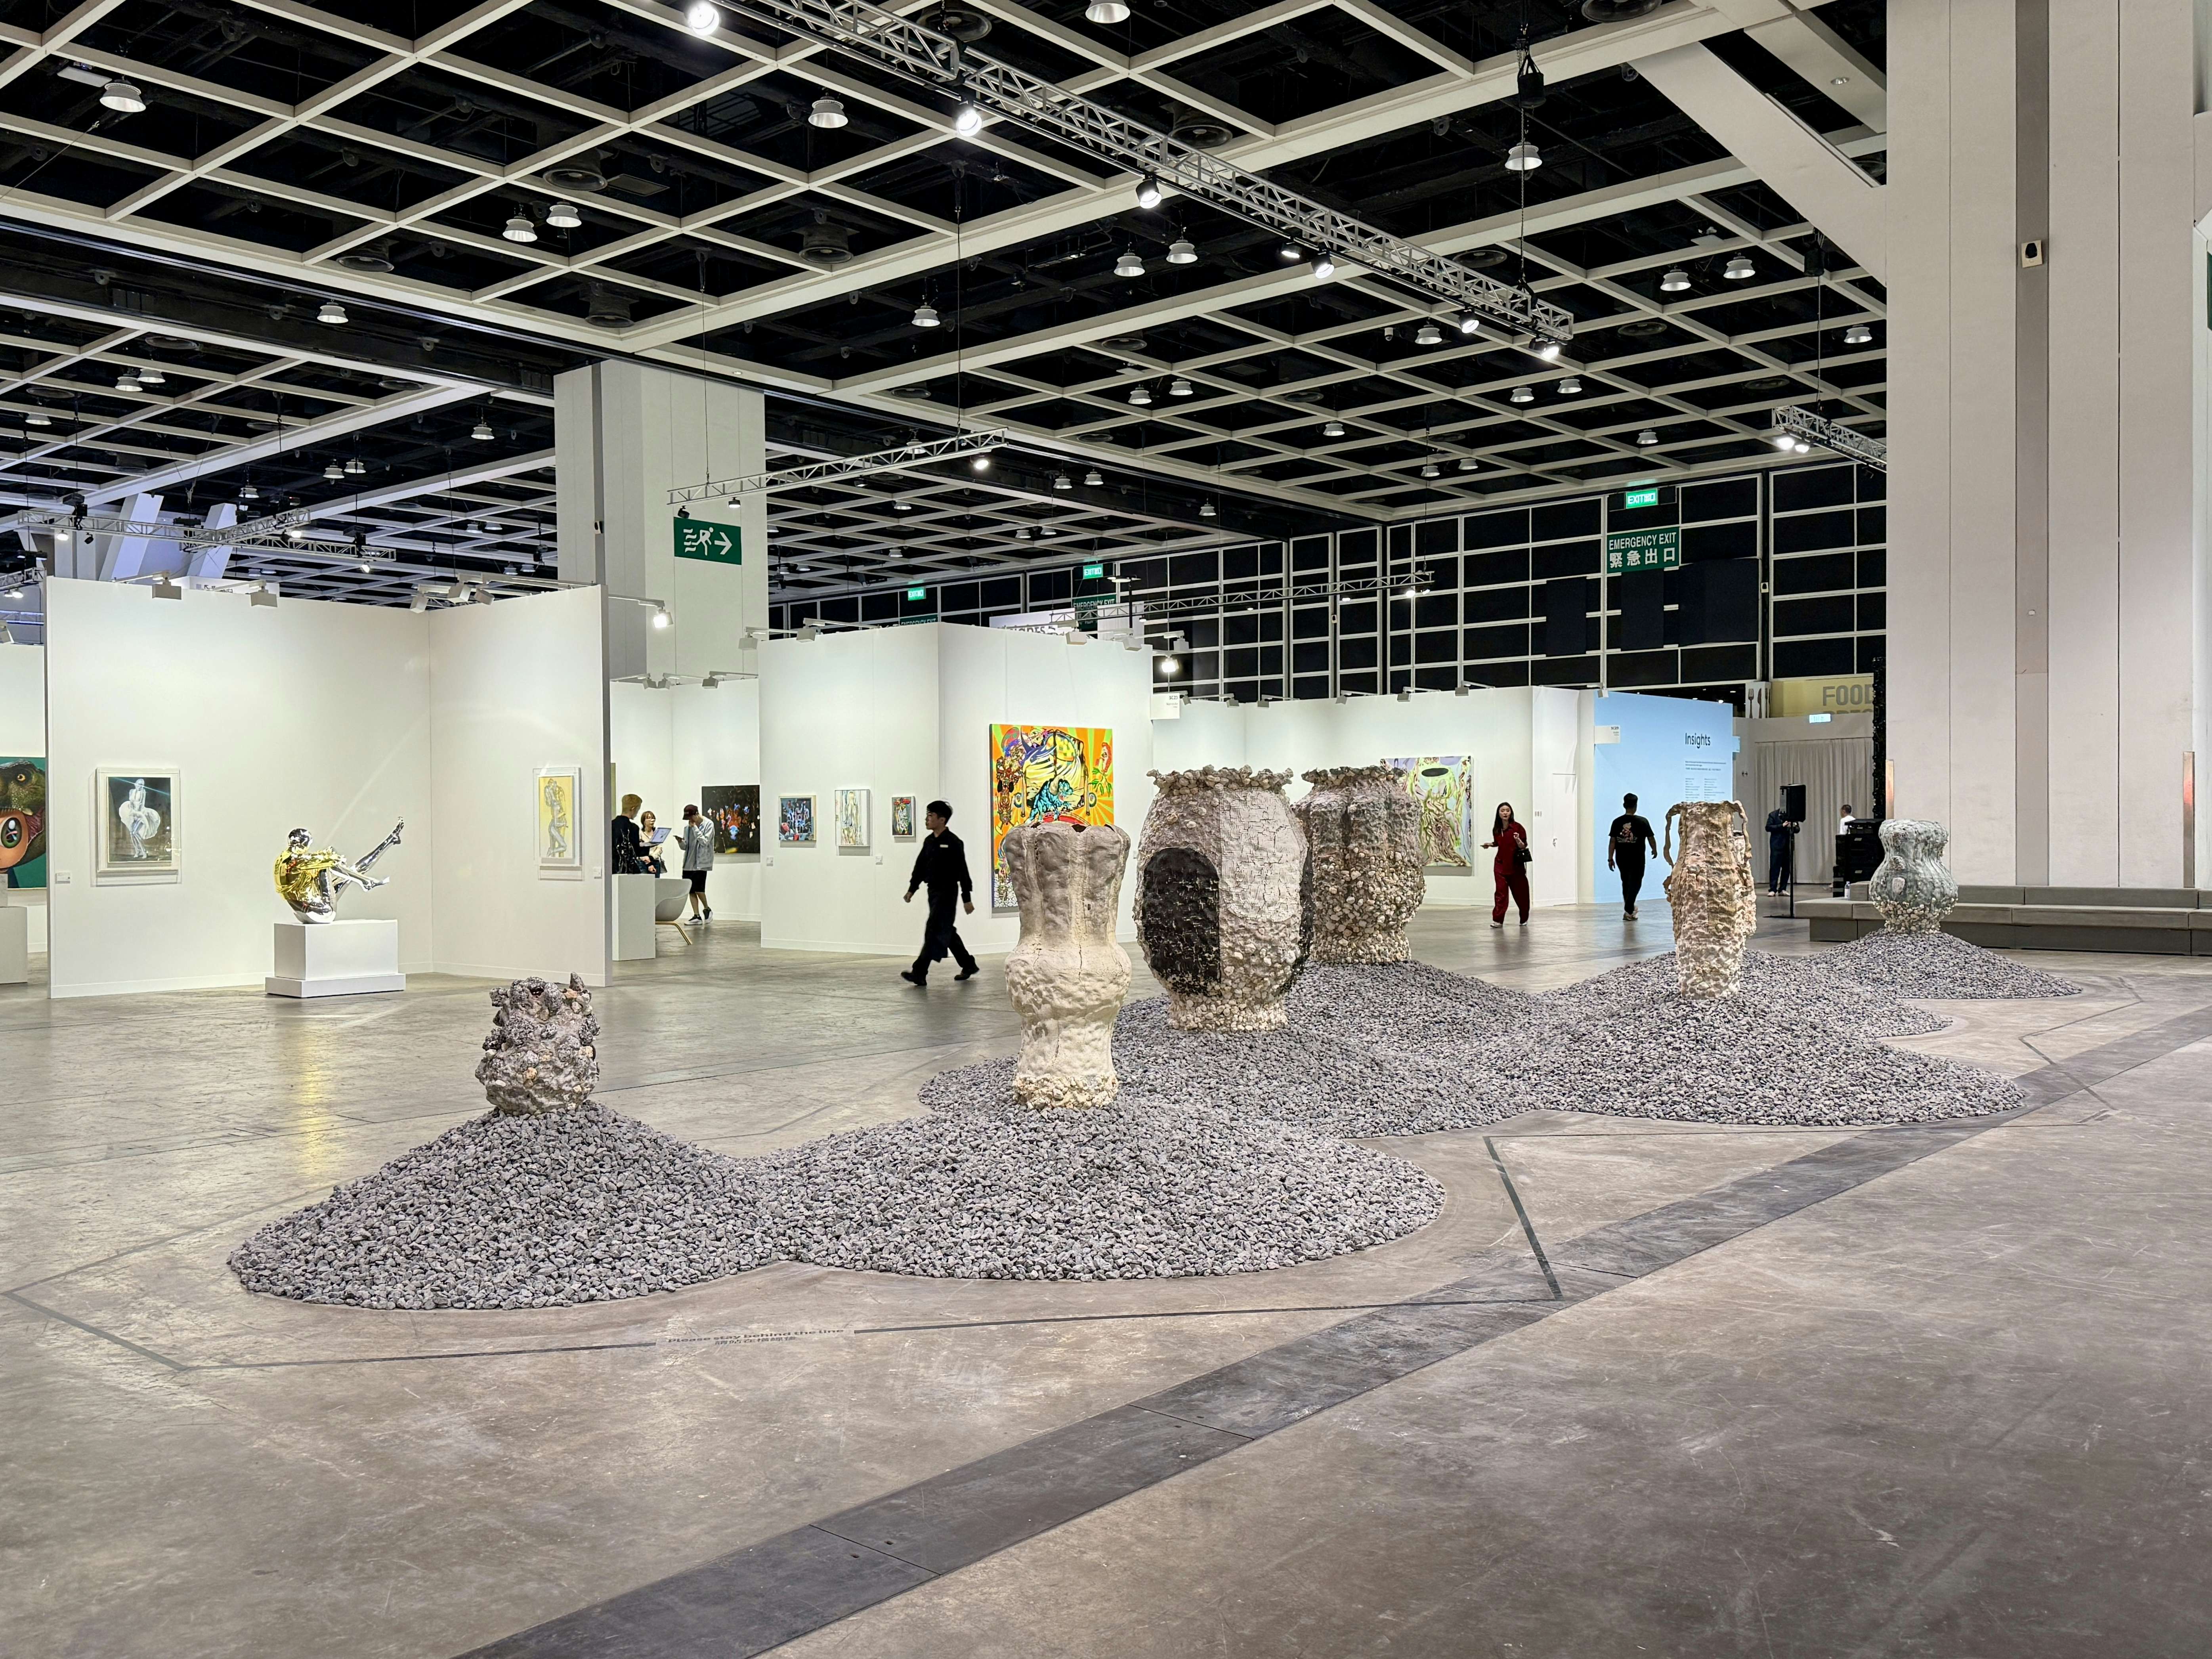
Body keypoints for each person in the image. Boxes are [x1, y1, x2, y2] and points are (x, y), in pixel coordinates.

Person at [901, 800, 978, 985]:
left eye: (931, 816)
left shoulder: (954, 843)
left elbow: (963, 871)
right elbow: (920, 867)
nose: (927, 819)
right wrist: (912, 889)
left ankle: (920, 972)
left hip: (948, 892)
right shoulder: (929, 842)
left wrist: (967, 898)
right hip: (933, 892)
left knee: (934, 929)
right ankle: (968, 964)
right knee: (946, 931)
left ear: (942, 820)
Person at [1606, 792, 1657, 919]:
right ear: (1636, 806)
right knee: (1636, 881)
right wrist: (1654, 850)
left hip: (1621, 857)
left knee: (1626, 882)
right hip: (1638, 858)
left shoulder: (1617, 822)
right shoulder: (1643, 821)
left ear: (1624, 805)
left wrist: (1610, 858)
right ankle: (1629, 908)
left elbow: (1613, 841)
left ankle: (1629, 911)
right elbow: (1651, 838)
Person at [1482, 801, 1530, 927]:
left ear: (1511, 813)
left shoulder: (1518, 828)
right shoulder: (1497, 829)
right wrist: (1490, 845)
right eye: (1502, 811)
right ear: (1499, 813)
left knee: (1521, 894)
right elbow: (1499, 843)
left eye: (1508, 811)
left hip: (1515, 866)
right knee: (1501, 893)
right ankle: (1498, 920)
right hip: (1500, 865)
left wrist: (1518, 840)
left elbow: (1523, 846)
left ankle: (1524, 918)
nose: (1505, 813)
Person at [678, 803, 713, 921]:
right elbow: (686, 847)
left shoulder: (709, 824)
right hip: (688, 863)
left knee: (699, 889)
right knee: (691, 890)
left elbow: (705, 842)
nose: (690, 820)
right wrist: (681, 842)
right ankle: (696, 915)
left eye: (691, 817)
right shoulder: (687, 828)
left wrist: (695, 828)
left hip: (701, 863)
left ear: (697, 814)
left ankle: (707, 909)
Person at [1765, 797, 1799, 894]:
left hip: (1788, 846)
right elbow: (1768, 828)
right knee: (1775, 868)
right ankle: (1773, 889)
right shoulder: (1773, 815)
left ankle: (1783, 889)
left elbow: (1798, 830)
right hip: (1776, 846)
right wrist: (1782, 826)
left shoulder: (1792, 816)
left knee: (1787, 868)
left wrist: (1793, 826)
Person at [611, 793, 644, 875]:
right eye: (638, 810)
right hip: (629, 870)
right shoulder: (633, 828)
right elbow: (636, 851)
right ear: (633, 809)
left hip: (612, 868)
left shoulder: (611, 825)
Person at [637, 809, 668, 877]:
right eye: (649, 818)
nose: (652, 820)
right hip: (643, 862)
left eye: (653, 818)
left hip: (655, 861)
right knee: (644, 881)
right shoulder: (639, 832)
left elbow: (660, 848)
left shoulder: (657, 833)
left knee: (656, 882)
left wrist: (652, 857)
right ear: (644, 821)